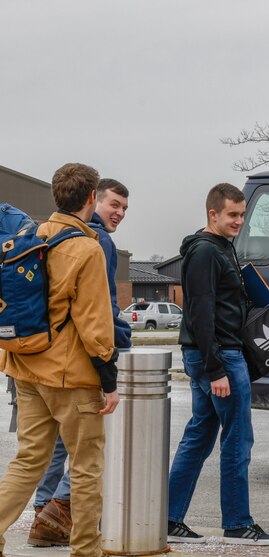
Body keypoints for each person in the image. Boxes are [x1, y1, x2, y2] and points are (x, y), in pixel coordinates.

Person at [0, 162, 119, 557]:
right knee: (86, 468)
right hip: (71, 377)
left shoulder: (32, 235)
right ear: (91, 198)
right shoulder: (87, 248)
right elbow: (95, 323)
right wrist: (108, 377)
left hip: (26, 368)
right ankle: (86, 550)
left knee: (29, 460)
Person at [167, 183, 269, 546]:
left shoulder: (221, 248)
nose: (239, 221)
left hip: (215, 354)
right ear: (212, 214)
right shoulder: (204, 252)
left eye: (242, 215)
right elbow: (200, 311)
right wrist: (215, 368)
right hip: (219, 356)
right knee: (238, 439)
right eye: (232, 215)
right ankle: (237, 524)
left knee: (200, 435)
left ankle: (168, 519)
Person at [27, 178, 132, 547]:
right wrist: (114, 356)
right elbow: (99, 310)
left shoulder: (43, 233)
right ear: (93, 200)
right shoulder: (95, 242)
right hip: (75, 360)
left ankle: (44, 516)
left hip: (35, 357)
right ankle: (66, 522)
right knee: (85, 456)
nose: (118, 213)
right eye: (113, 204)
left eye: (124, 208)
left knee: (45, 449)